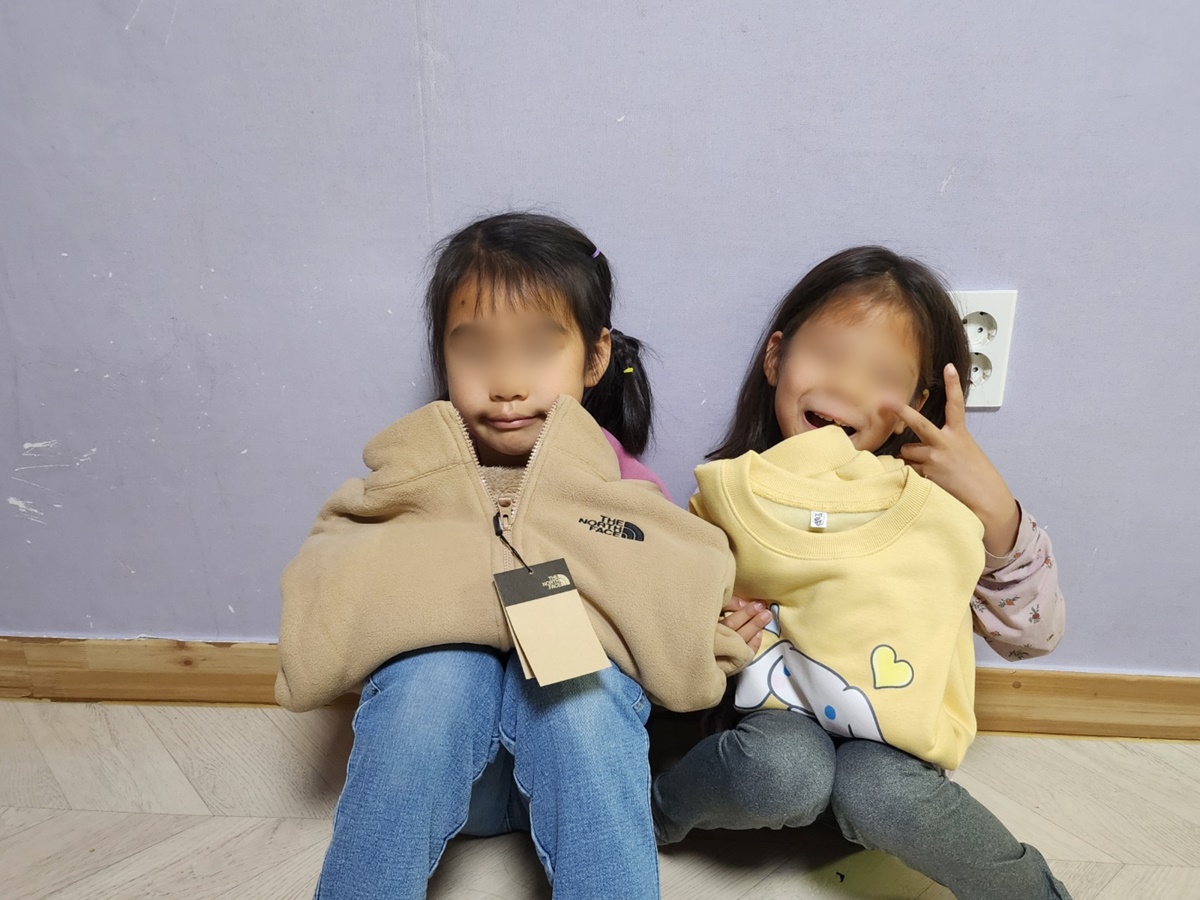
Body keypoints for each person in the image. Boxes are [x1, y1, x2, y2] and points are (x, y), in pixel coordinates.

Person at [275, 212, 764, 899]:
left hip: (566, 788)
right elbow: (341, 597)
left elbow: (669, 618)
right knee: (439, 673)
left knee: (578, 690)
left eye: (538, 349)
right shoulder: (412, 482)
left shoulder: (621, 493)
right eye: (475, 351)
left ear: (594, 358)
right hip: (454, 784)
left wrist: (708, 626)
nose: (506, 381)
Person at [651, 246, 1071, 900]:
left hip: (889, 753)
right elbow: (669, 635)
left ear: (917, 401)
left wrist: (995, 509)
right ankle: (650, 811)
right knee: (783, 770)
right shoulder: (735, 492)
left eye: (881, 375)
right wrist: (713, 625)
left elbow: (1032, 638)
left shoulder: (939, 510)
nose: (847, 386)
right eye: (828, 354)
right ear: (775, 358)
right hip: (773, 735)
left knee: (880, 788)